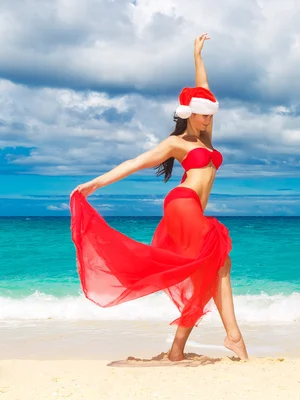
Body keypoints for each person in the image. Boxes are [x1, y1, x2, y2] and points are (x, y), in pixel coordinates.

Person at [69, 34, 248, 361]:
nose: (207, 119)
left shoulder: (207, 137)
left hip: (190, 207)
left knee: (210, 272)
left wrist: (198, 56)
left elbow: (203, 89)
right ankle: (234, 337)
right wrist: (95, 184)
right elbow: (136, 162)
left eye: (210, 114)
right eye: (202, 114)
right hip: (182, 203)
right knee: (219, 258)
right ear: (189, 114)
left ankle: (178, 350)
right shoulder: (177, 143)